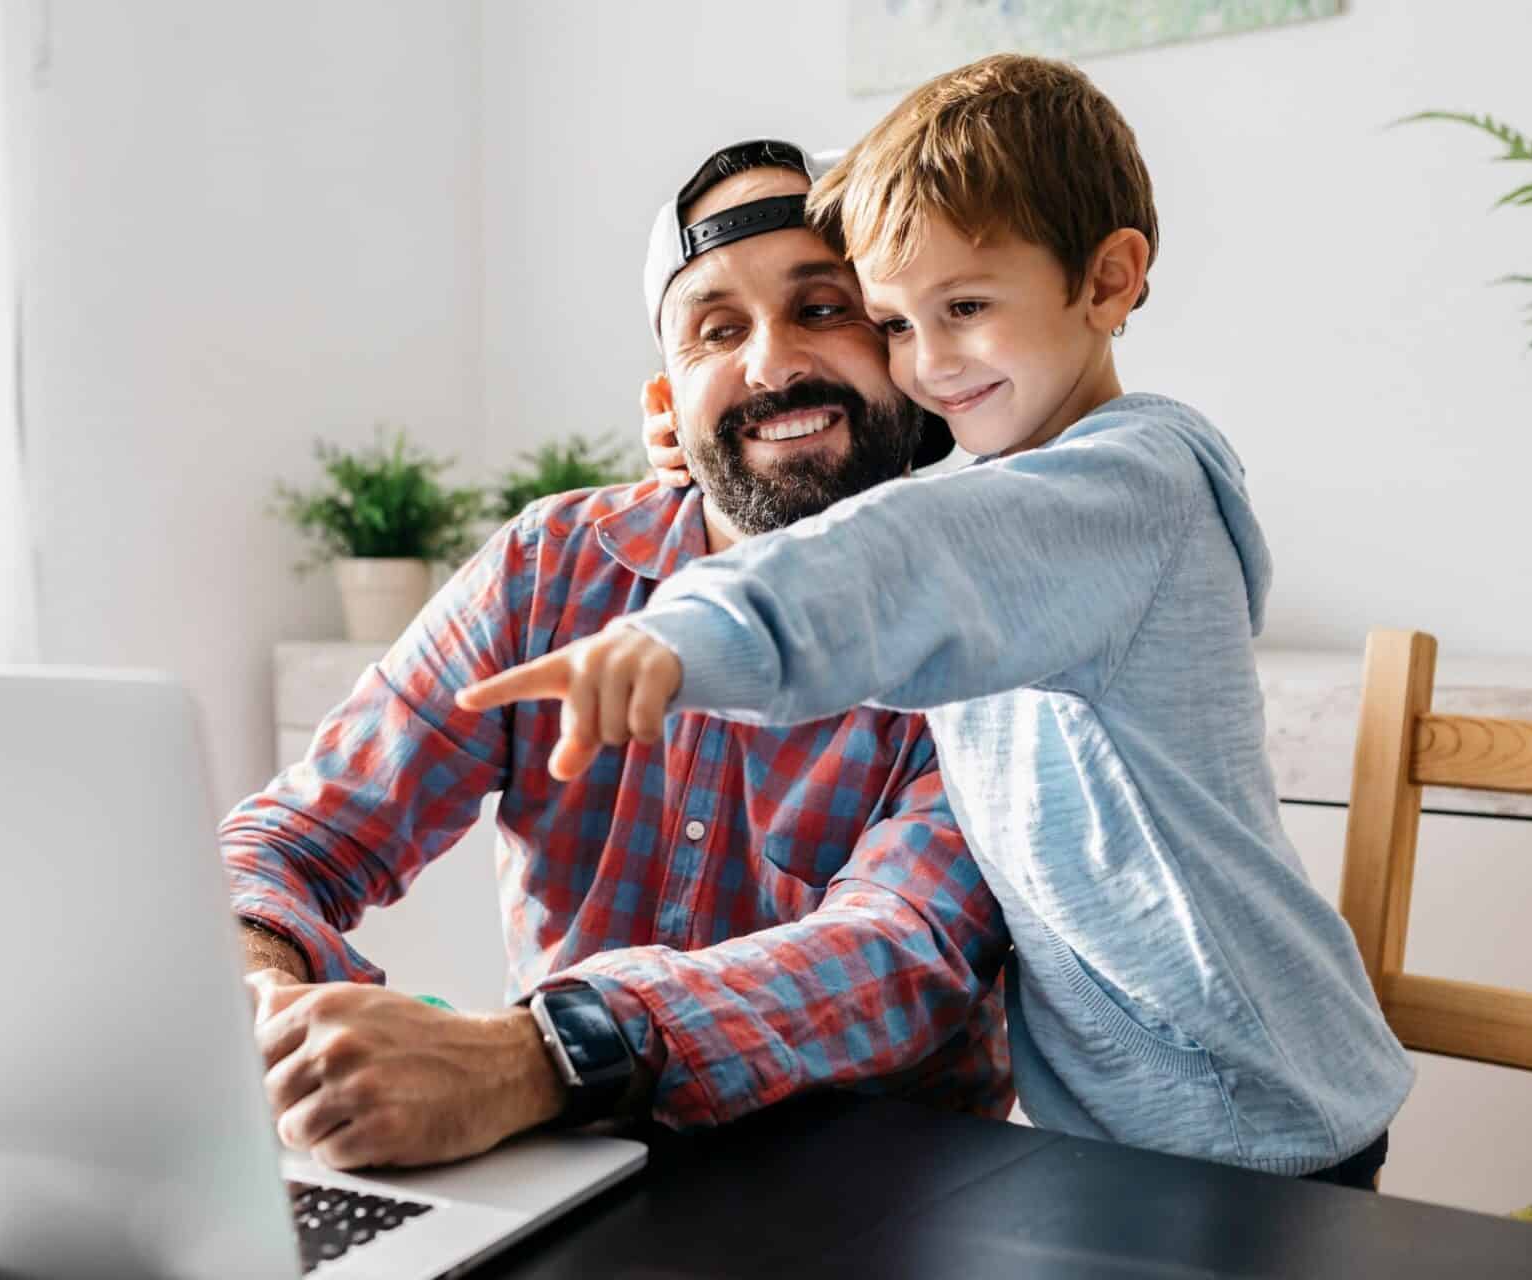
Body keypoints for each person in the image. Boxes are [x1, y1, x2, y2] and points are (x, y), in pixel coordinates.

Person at [459, 56, 1412, 1189]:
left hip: (1254, 1114)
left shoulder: (1130, 484)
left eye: (965, 308)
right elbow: (915, 507)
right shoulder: (1019, 483)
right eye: (896, 325)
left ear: (1108, 281)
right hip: (1111, 1117)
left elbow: (918, 551)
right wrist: (721, 457)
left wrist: (682, 630)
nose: (930, 364)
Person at [226, 138, 1010, 1172]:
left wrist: (533, 1056)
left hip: (883, 1208)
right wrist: (266, 1005)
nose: (771, 363)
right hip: (568, 1177)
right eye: (717, 328)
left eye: (823, 308)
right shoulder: (550, 569)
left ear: (910, 355)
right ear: (665, 405)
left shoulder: (992, 611)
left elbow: (904, 946)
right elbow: (288, 843)